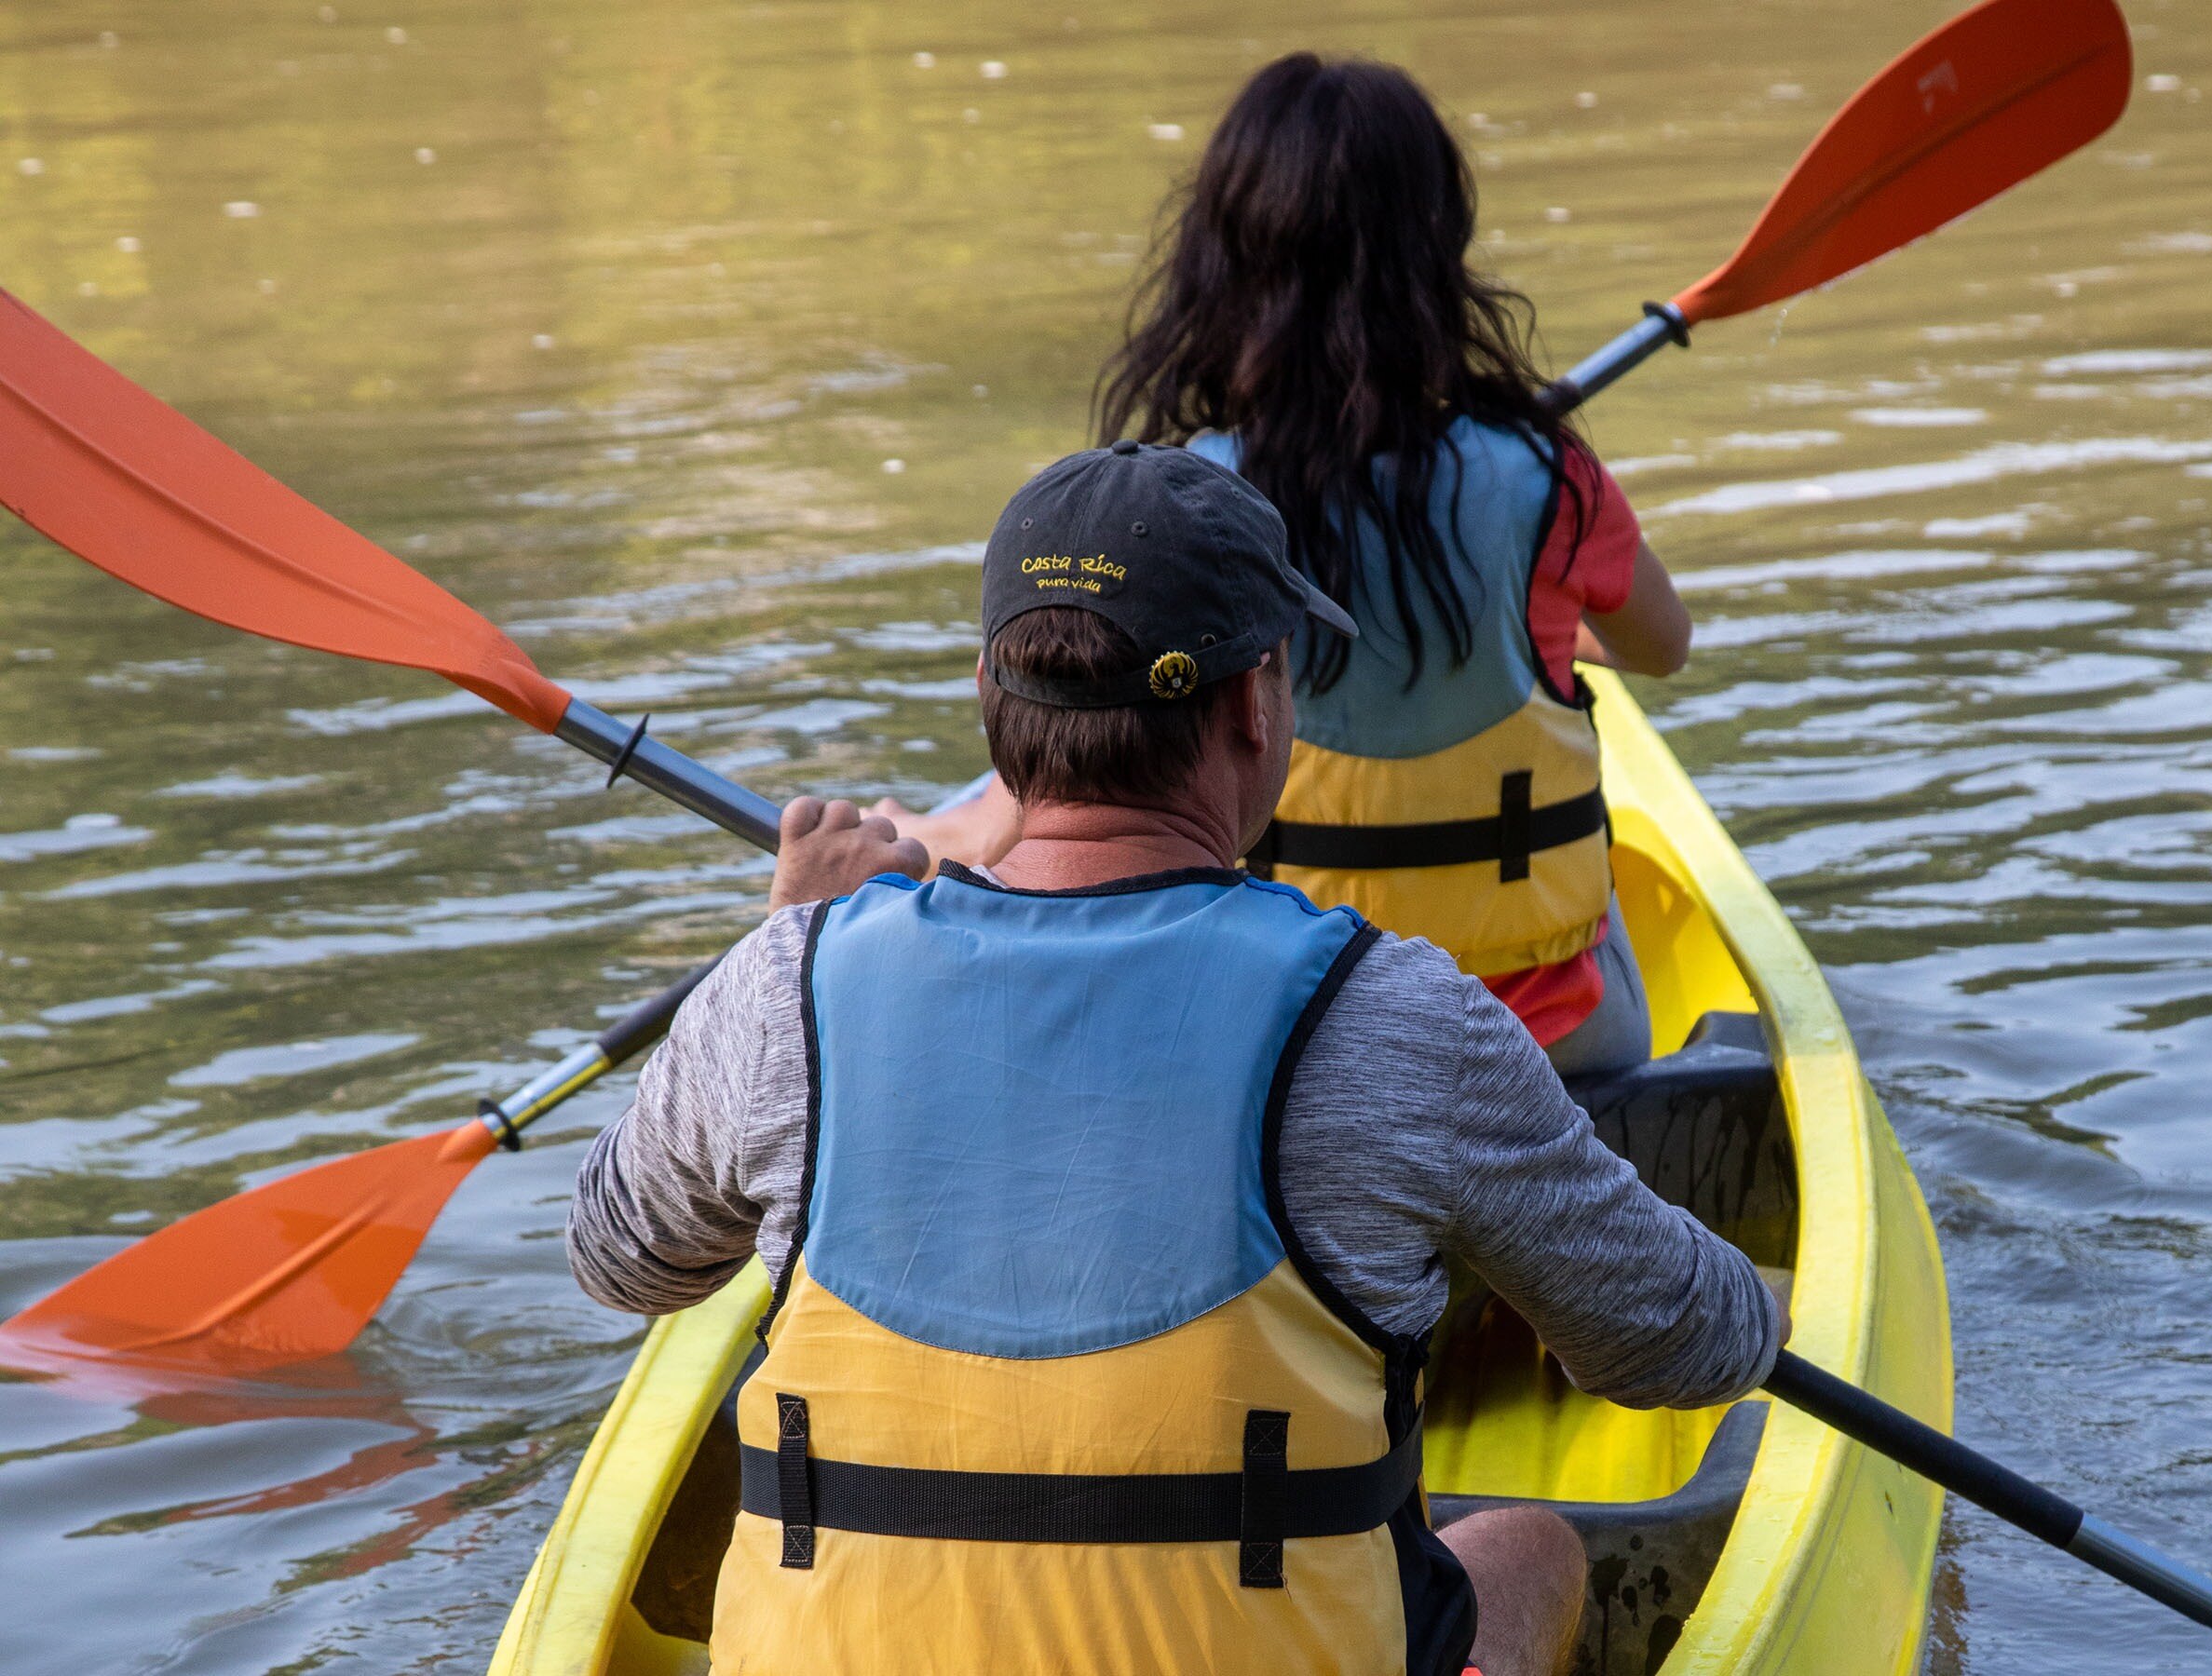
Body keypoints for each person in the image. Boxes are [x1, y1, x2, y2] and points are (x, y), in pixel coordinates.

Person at [570, 442, 1782, 1676]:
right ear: (1257, 701)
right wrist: (1737, 1301)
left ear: (991, 694)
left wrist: (788, 932)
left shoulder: (784, 986)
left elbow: (626, 1262)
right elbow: (1681, 1345)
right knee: (1527, 1550)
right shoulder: (1395, 1016)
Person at [1093, 53, 1692, 1078]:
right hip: (1551, 1043)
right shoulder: (1550, 475)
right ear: (1437, 255)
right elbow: (1664, 648)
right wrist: (1547, 621)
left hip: (1295, 1041)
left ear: (1222, 264)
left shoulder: (1185, 497)